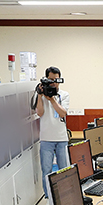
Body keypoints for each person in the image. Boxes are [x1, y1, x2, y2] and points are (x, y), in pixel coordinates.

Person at [34, 66, 69, 195]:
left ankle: (65, 194)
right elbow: (40, 113)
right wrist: (39, 95)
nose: (53, 83)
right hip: (46, 139)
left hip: (61, 138)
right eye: (50, 80)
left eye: (56, 80)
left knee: (64, 170)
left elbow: (62, 113)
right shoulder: (40, 95)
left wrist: (52, 99)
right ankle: (49, 197)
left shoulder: (64, 95)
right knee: (46, 170)